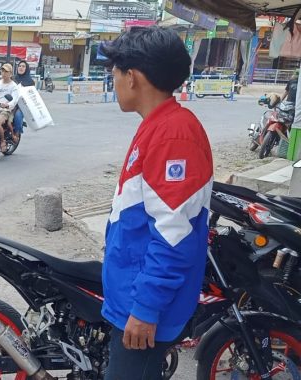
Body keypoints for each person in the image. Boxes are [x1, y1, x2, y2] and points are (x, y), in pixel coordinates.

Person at [99, 26, 213, 380]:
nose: (113, 80)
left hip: (145, 306)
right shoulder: (159, 125)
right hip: (131, 293)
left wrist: (146, 308)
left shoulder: (173, 135)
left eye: (114, 72)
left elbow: (174, 235)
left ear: (132, 77)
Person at [12, 60, 35, 142]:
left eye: (23, 66)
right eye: (20, 66)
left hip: (22, 105)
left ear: (27, 69)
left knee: (18, 115)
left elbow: (32, 95)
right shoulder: (12, 78)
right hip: (10, 102)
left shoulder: (30, 82)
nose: (21, 68)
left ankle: (17, 133)